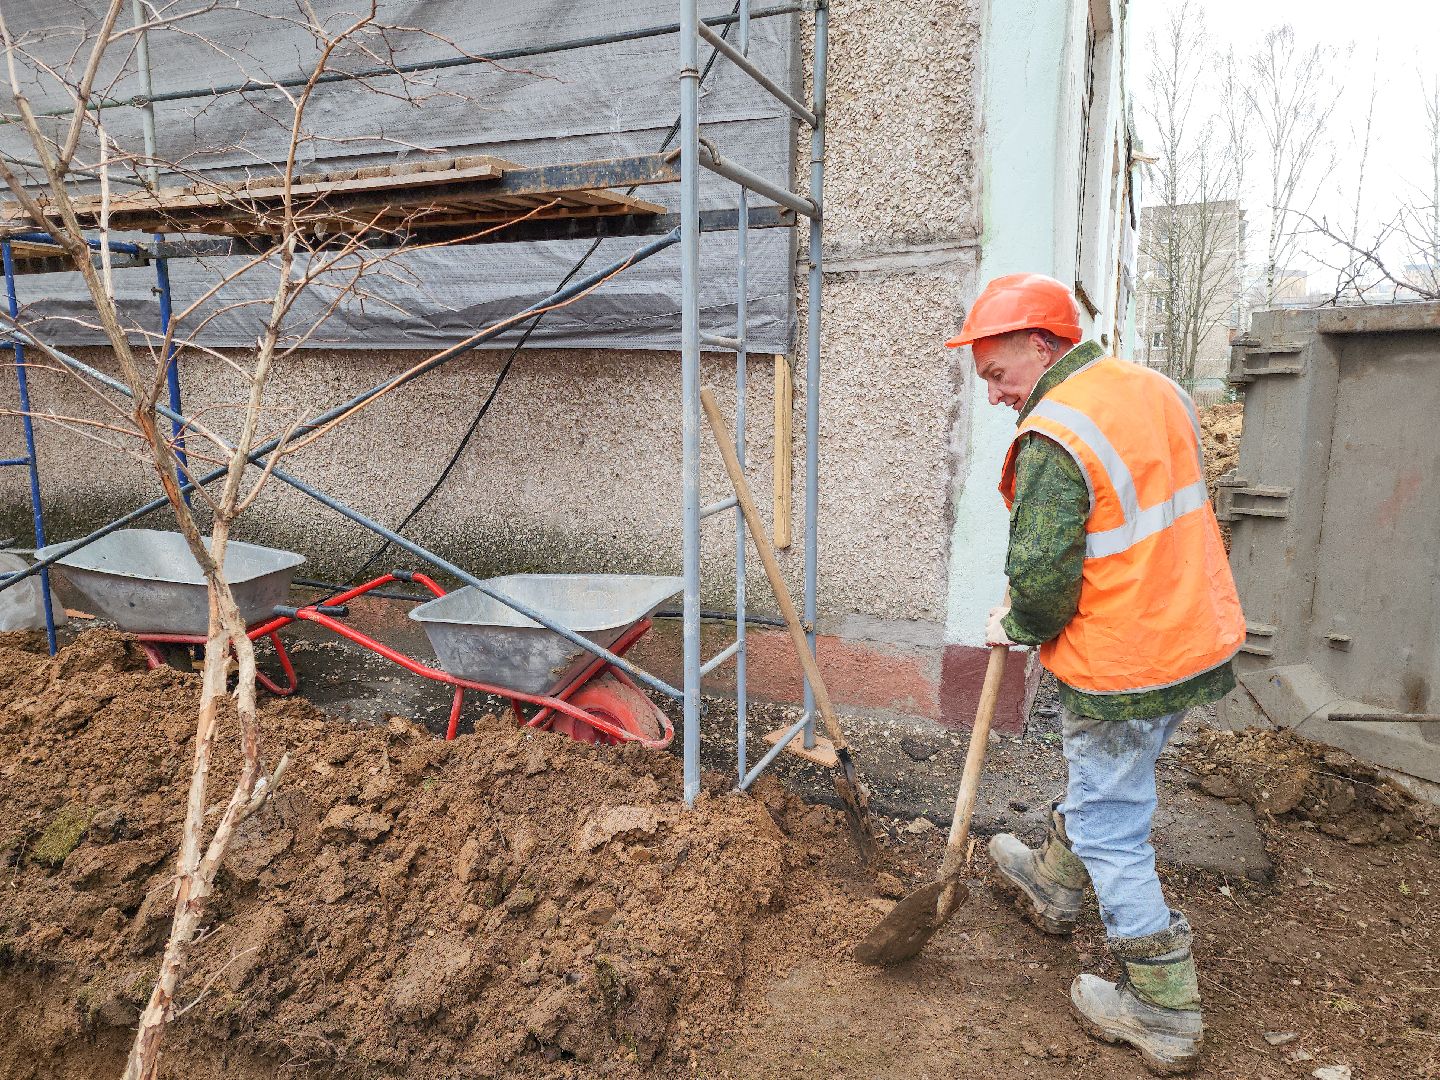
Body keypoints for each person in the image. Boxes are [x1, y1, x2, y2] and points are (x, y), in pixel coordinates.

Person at [943, 273, 1245, 1076]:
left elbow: (1044, 581)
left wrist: (1017, 621)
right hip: (1193, 636)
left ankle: (1163, 1006)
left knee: (1112, 820)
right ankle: (1053, 884)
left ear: (1042, 346)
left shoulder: (1055, 432)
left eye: (998, 374)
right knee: (1112, 778)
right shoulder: (1155, 389)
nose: (995, 394)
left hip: (1126, 661)